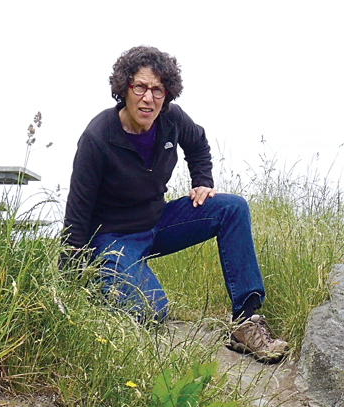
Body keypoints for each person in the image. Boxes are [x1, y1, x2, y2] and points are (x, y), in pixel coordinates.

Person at [61, 45, 287, 362]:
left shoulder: (171, 120)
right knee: (152, 310)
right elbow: (77, 216)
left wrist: (202, 182)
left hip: (158, 223)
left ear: (167, 94)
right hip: (113, 238)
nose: (148, 98)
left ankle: (245, 323)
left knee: (232, 208)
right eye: (140, 87)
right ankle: (112, 281)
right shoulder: (97, 138)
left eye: (157, 90)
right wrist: (68, 285)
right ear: (123, 88)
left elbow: (198, 144)